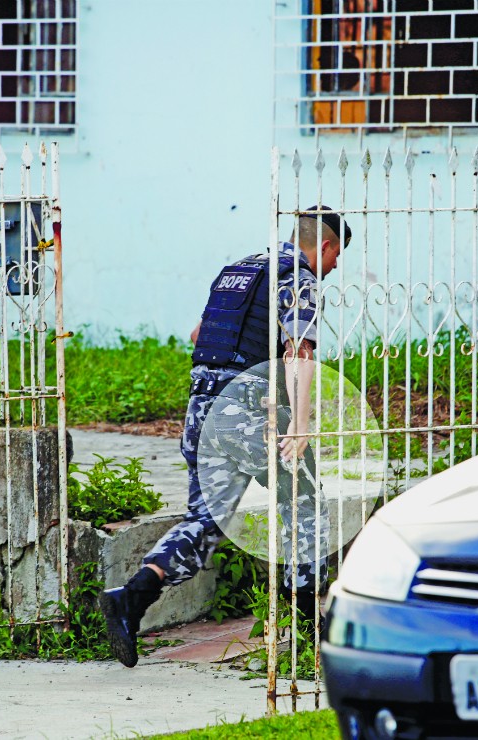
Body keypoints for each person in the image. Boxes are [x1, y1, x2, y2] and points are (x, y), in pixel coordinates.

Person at [100, 206, 350, 668]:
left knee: (206, 520)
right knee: (304, 501)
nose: (333, 269)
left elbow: (198, 334)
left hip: (201, 408)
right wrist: (299, 424)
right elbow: (300, 350)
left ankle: (132, 598)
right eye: (337, 259)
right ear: (328, 245)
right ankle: (304, 632)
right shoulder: (299, 275)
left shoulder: (237, 270)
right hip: (247, 409)